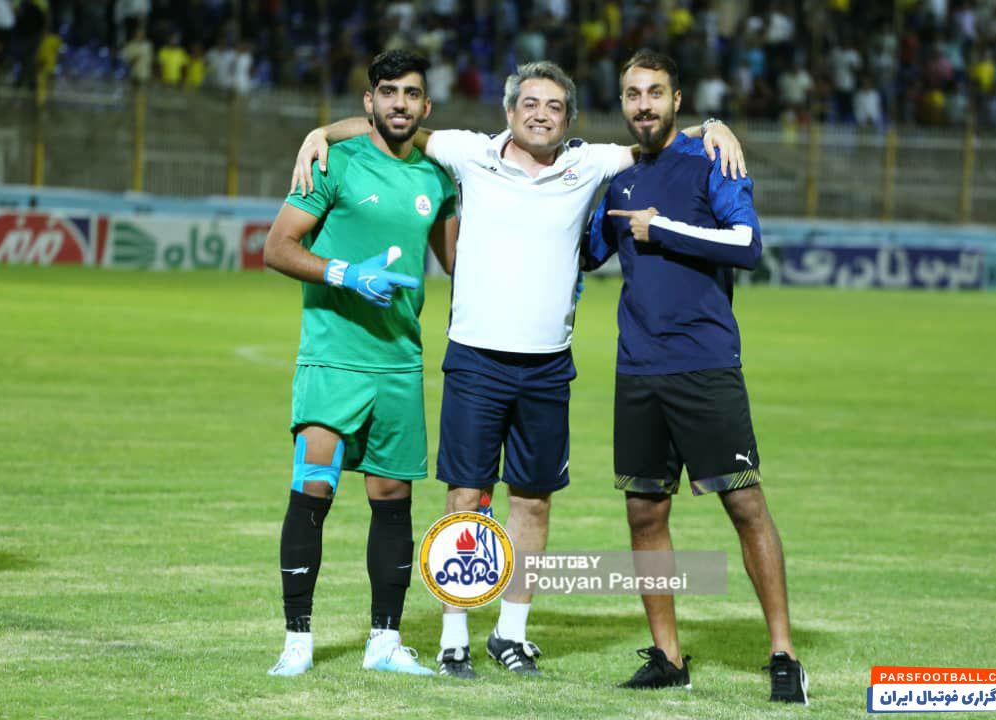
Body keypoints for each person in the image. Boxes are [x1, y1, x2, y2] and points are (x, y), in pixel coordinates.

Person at [290, 59, 747, 680]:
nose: (540, 114)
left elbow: (656, 132)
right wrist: (322, 132)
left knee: (533, 501)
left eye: (554, 106)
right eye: (529, 103)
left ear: (570, 119)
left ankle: (510, 633)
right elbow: (393, 124)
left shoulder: (592, 163)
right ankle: (454, 636)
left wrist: (712, 126)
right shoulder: (469, 153)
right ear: (509, 111)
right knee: (464, 497)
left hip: (548, 365)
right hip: (475, 359)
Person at [582, 49, 807, 703]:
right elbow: (588, 251)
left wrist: (665, 230)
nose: (643, 105)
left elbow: (747, 244)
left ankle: (784, 654)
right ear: (622, 103)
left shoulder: (712, 157)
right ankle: (668, 657)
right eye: (632, 94)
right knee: (644, 512)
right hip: (638, 369)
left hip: (705, 363)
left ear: (676, 100)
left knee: (745, 504)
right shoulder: (619, 177)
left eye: (654, 92)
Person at [262, 50, 459, 678]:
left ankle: (384, 642)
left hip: (399, 362)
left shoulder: (438, 176)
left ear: (426, 106)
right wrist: (344, 274)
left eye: (412, 93)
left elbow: (459, 265)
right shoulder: (333, 161)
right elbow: (277, 247)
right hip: (333, 359)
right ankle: (297, 640)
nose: (400, 103)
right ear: (369, 100)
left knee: (393, 499)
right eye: (388, 92)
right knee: (312, 489)